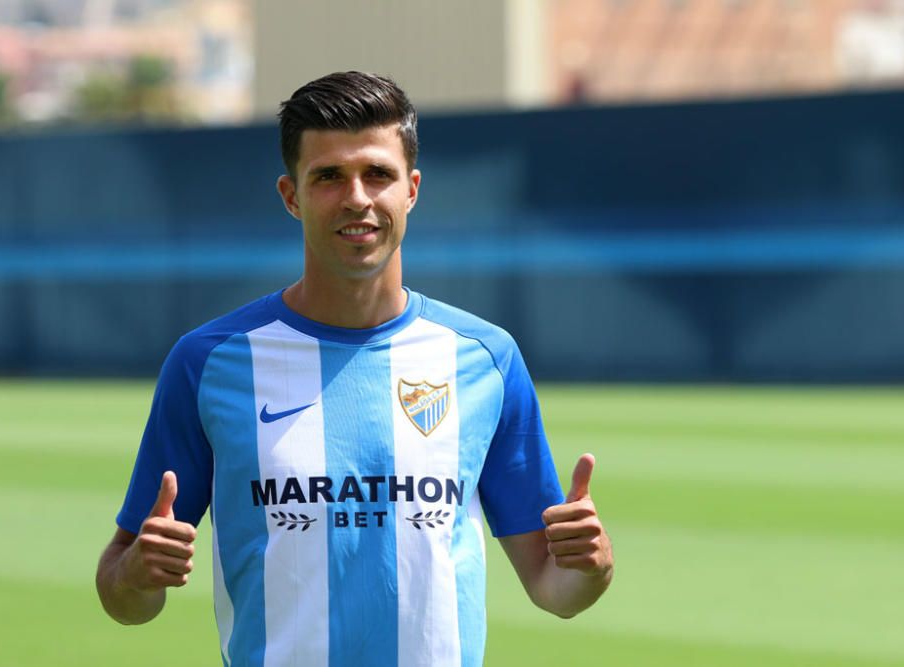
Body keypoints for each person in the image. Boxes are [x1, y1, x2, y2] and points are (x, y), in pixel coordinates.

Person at [96, 71, 613, 666]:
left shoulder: (485, 358)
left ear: (412, 188)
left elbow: (555, 589)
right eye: (329, 177)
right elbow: (123, 595)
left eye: (378, 174)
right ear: (291, 196)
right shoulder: (207, 362)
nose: (357, 198)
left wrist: (591, 567)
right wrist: (137, 573)